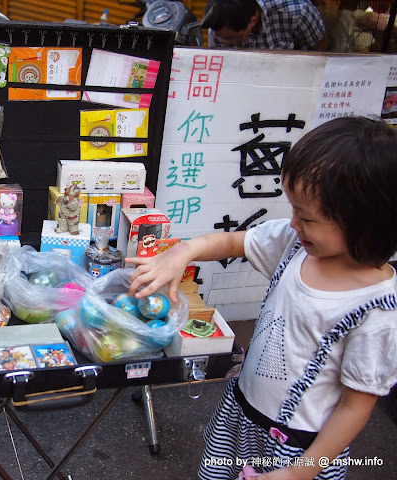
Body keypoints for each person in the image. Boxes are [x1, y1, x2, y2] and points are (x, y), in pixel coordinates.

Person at [127, 116, 397, 479]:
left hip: (300, 449)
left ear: (364, 221)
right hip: (242, 413)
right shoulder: (295, 245)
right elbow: (233, 241)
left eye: (307, 217)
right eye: (293, 209)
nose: (293, 223)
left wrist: (295, 474)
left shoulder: (376, 310)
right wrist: (183, 251)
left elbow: (355, 407)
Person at [201, 0, 328, 50]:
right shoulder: (217, 27)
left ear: (252, 21)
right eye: (219, 37)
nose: (223, 41)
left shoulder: (298, 12)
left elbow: (320, 49)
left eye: (230, 38)